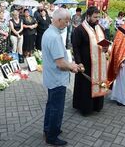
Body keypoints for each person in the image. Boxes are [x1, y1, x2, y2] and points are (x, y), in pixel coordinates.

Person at [42, 8, 79, 146]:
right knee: (56, 108)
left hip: (51, 77)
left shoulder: (49, 32)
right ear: (58, 20)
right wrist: (72, 67)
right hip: (57, 79)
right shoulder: (55, 36)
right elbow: (60, 63)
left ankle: (48, 129)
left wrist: (70, 64)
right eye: (67, 21)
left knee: (51, 105)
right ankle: (52, 135)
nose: (68, 24)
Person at [72, 6, 108, 116]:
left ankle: (97, 106)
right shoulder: (79, 30)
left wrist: (106, 48)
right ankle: (85, 108)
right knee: (85, 87)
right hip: (86, 63)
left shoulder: (100, 28)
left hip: (99, 63)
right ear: (88, 16)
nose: (97, 19)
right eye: (95, 17)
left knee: (99, 83)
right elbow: (76, 48)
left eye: (98, 17)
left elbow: (104, 42)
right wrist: (79, 62)